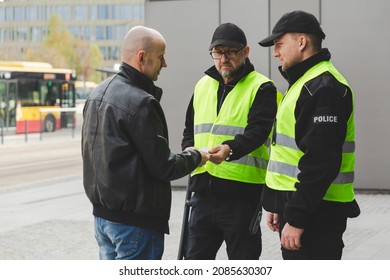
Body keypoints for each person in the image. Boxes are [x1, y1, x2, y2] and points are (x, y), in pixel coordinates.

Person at [81, 26, 209, 260]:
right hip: (135, 224)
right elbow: (164, 166)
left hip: (102, 220)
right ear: (142, 57)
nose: (165, 64)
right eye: (161, 57)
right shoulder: (141, 103)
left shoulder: (96, 94)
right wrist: (198, 156)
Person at [258, 10, 360, 260]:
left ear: (301, 42)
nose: (275, 52)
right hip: (303, 207)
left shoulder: (323, 88)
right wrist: (277, 203)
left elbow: (320, 162)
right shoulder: (306, 83)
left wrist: (297, 217)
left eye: (279, 44)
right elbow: (290, 153)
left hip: (316, 215)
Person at [181, 23, 279, 260]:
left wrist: (229, 148)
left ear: (245, 52)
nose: (223, 59)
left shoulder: (262, 88)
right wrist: (188, 149)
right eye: (217, 52)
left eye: (230, 52)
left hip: (242, 199)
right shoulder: (202, 85)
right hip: (202, 194)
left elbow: (258, 132)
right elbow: (189, 129)